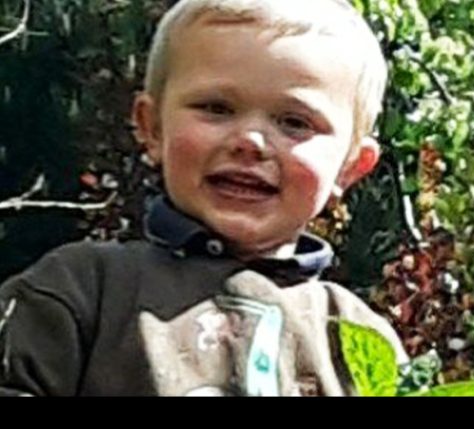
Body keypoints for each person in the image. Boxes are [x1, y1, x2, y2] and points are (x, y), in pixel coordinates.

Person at [0, 0, 408, 396]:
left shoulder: (362, 341)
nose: (250, 141)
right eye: (216, 108)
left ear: (349, 167)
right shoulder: (82, 290)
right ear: (152, 127)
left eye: (294, 122)